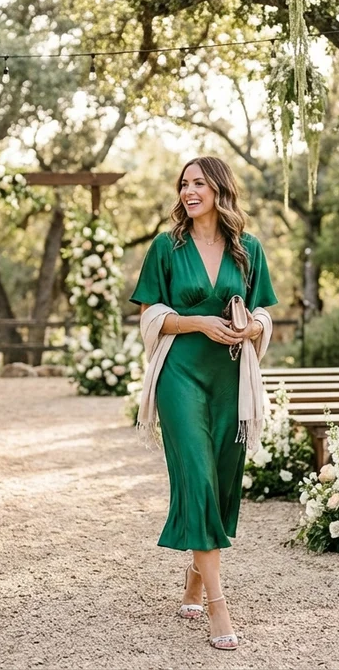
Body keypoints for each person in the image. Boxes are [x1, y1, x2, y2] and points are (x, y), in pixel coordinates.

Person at [130, 155, 277, 651]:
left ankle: (195, 577)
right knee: (196, 473)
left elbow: (263, 310)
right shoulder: (165, 247)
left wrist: (250, 327)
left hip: (231, 377)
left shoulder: (248, 249)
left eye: (198, 183)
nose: (189, 191)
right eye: (184, 184)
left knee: (222, 478)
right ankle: (218, 606)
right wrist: (199, 322)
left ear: (219, 189)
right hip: (180, 374)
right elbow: (150, 316)